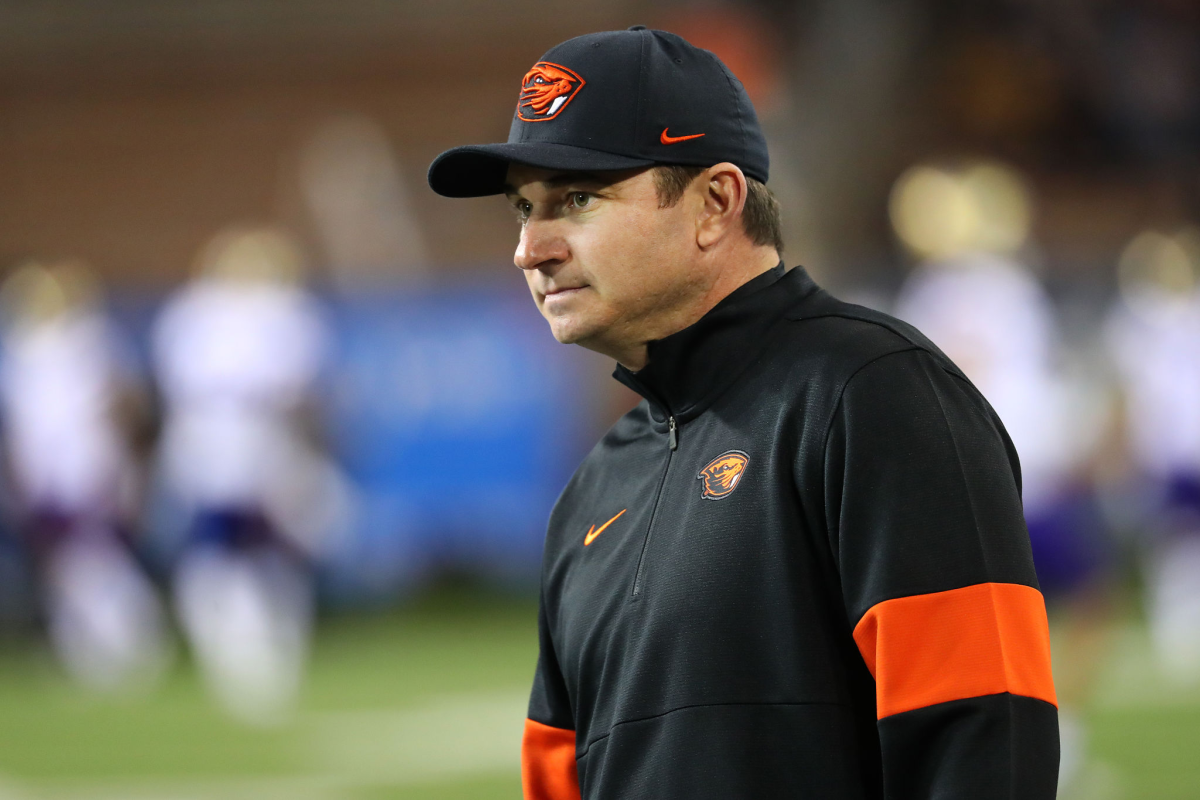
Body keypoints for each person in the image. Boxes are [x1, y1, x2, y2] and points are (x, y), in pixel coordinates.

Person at [428, 27, 1059, 799]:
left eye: (577, 199)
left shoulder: (874, 396)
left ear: (716, 202)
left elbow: (983, 738)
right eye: (524, 208)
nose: (531, 247)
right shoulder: (594, 488)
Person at [151, 227, 347, 724]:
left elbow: (305, 391)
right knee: (219, 557)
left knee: (276, 553)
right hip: (216, 449)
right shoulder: (197, 314)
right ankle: (241, 656)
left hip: (270, 447)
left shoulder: (287, 311)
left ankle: (270, 654)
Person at [0, 260, 168, 691]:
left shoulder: (91, 340)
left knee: (94, 556)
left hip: (88, 464)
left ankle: (136, 641)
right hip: (44, 470)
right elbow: (23, 422)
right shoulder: (23, 347)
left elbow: (125, 402)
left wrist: (120, 462)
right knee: (61, 563)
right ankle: (87, 654)